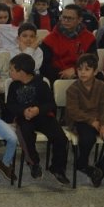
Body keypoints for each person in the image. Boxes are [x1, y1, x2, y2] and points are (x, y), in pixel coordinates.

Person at [6, 53, 69, 184]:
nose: (9, 72)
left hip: (43, 116)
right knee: (26, 133)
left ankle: (57, 168)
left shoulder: (41, 84)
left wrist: (38, 110)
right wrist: (23, 111)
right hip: (24, 118)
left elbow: (51, 104)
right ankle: (33, 163)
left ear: (21, 72)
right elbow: (10, 105)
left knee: (60, 137)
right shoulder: (13, 86)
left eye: (11, 69)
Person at [66, 53, 104, 187]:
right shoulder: (73, 89)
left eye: (87, 69)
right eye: (80, 69)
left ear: (95, 72)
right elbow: (73, 111)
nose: (82, 72)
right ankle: (82, 163)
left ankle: (101, 169)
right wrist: (91, 121)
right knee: (88, 139)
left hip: (102, 120)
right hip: (82, 121)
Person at [41, 4, 97, 82]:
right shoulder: (49, 39)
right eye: (64, 17)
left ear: (79, 19)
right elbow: (45, 65)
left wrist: (76, 70)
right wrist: (62, 74)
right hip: (58, 76)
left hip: (83, 74)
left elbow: (93, 60)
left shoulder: (89, 38)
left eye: (70, 18)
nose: (66, 21)